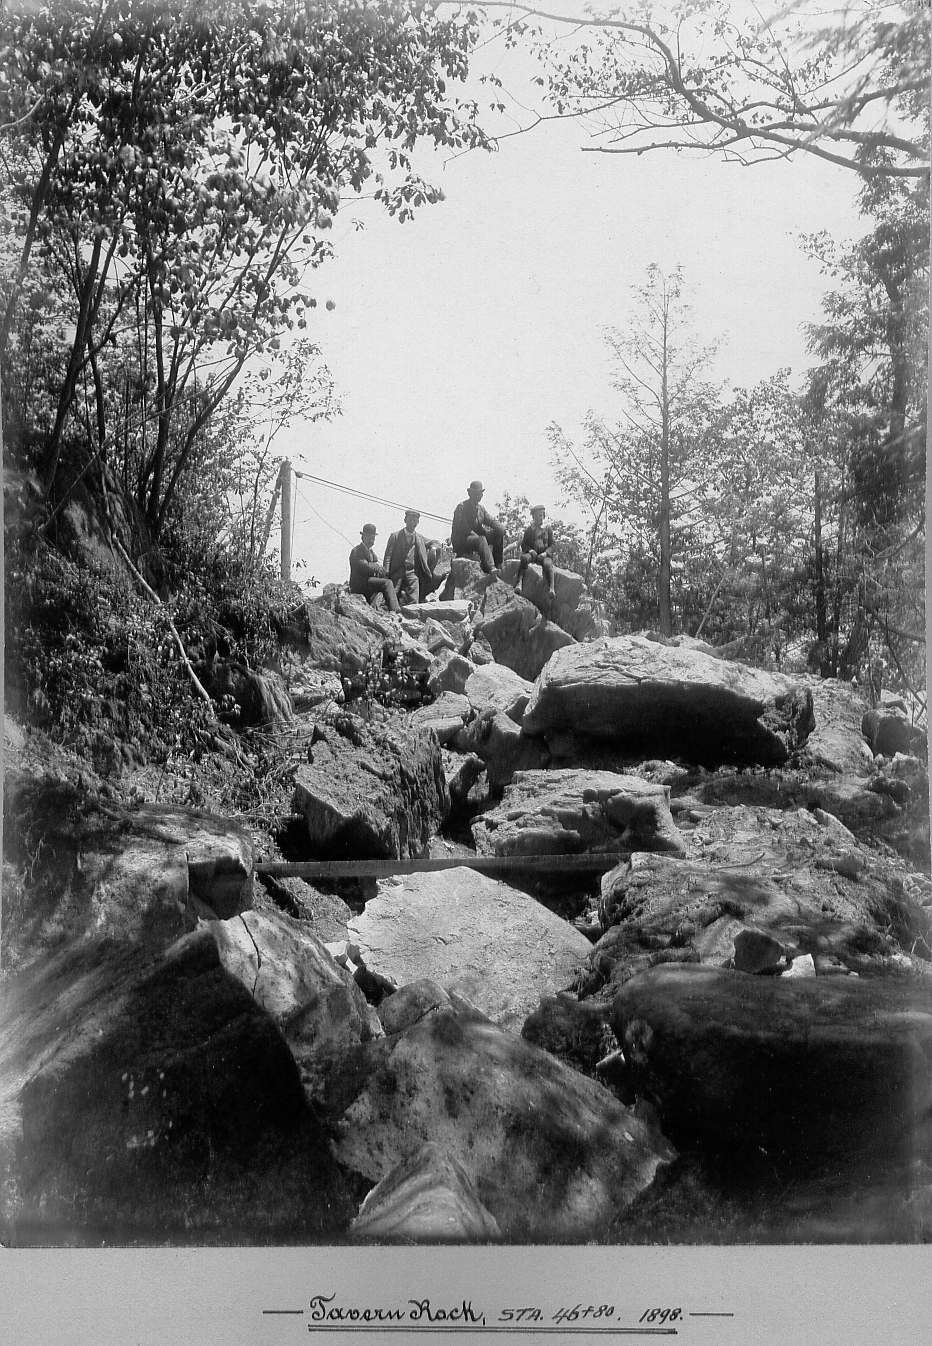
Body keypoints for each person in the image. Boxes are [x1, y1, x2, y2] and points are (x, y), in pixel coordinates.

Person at [383, 509, 441, 606]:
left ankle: (411, 617)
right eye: (410, 520)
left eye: (415, 521)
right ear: (405, 520)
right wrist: (386, 571)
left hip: (411, 572)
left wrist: (433, 548)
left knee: (414, 598)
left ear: (417, 523)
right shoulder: (395, 536)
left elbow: (435, 542)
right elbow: (388, 556)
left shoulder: (419, 538)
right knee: (391, 595)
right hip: (397, 571)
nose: (412, 523)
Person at [449, 480, 505, 575]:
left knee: (498, 534)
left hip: (477, 539)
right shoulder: (462, 507)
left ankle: (498, 564)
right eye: (476, 493)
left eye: (480, 493)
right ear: (470, 494)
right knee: (481, 539)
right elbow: (464, 529)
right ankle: (490, 567)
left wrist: (501, 528)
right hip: (462, 540)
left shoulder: (481, 509)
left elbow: (491, 520)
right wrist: (480, 538)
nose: (479, 496)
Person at [348, 523, 401, 613]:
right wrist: (377, 568)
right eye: (369, 537)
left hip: (368, 583)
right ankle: (395, 610)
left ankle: (393, 605)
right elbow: (364, 565)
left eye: (373, 538)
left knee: (390, 579)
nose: (371, 540)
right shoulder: (357, 551)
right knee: (387, 583)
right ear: (363, 537)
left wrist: (383, 570)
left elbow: (377, 564)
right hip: (359, 585)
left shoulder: (371, 553)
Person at [515, 504, 556, 598]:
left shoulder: (548, 529)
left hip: (544, 555)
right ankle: (519, 583)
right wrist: (530, 550)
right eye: (538, 515)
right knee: (524, 559)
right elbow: (524, 544)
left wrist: (546, 553)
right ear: (533, 517)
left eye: (542, 515)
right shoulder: (529, 529)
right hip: (533, 555)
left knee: (548, 564)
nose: (540, 518)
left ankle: (551, 588)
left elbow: (553, 545)